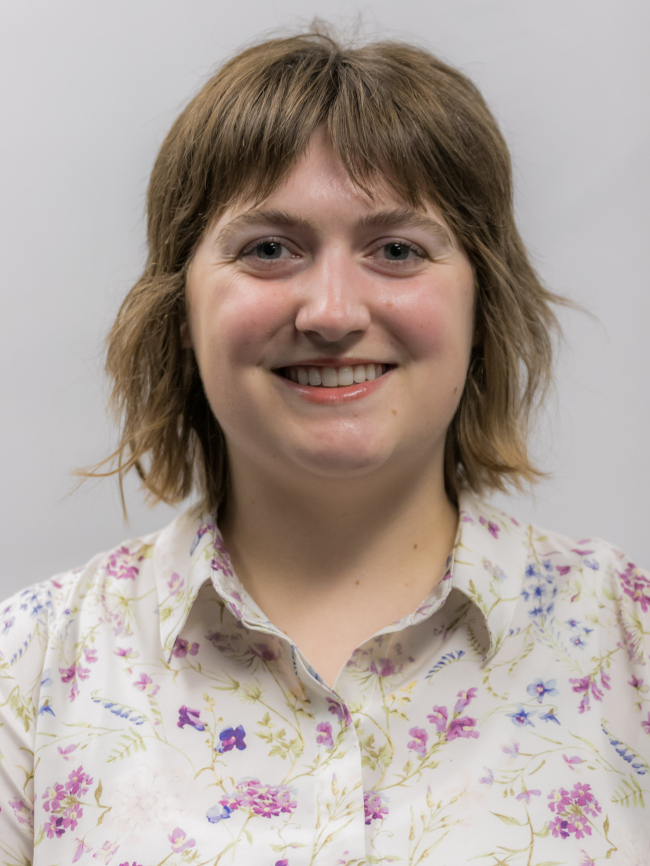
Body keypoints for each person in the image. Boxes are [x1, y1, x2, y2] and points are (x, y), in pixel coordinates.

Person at [1, 25, 648, 866]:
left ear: (483, 303)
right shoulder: (28, 674)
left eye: (397, 250)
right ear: (180, 308)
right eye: (268, 249)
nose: (333, 313)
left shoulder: (629, 641)